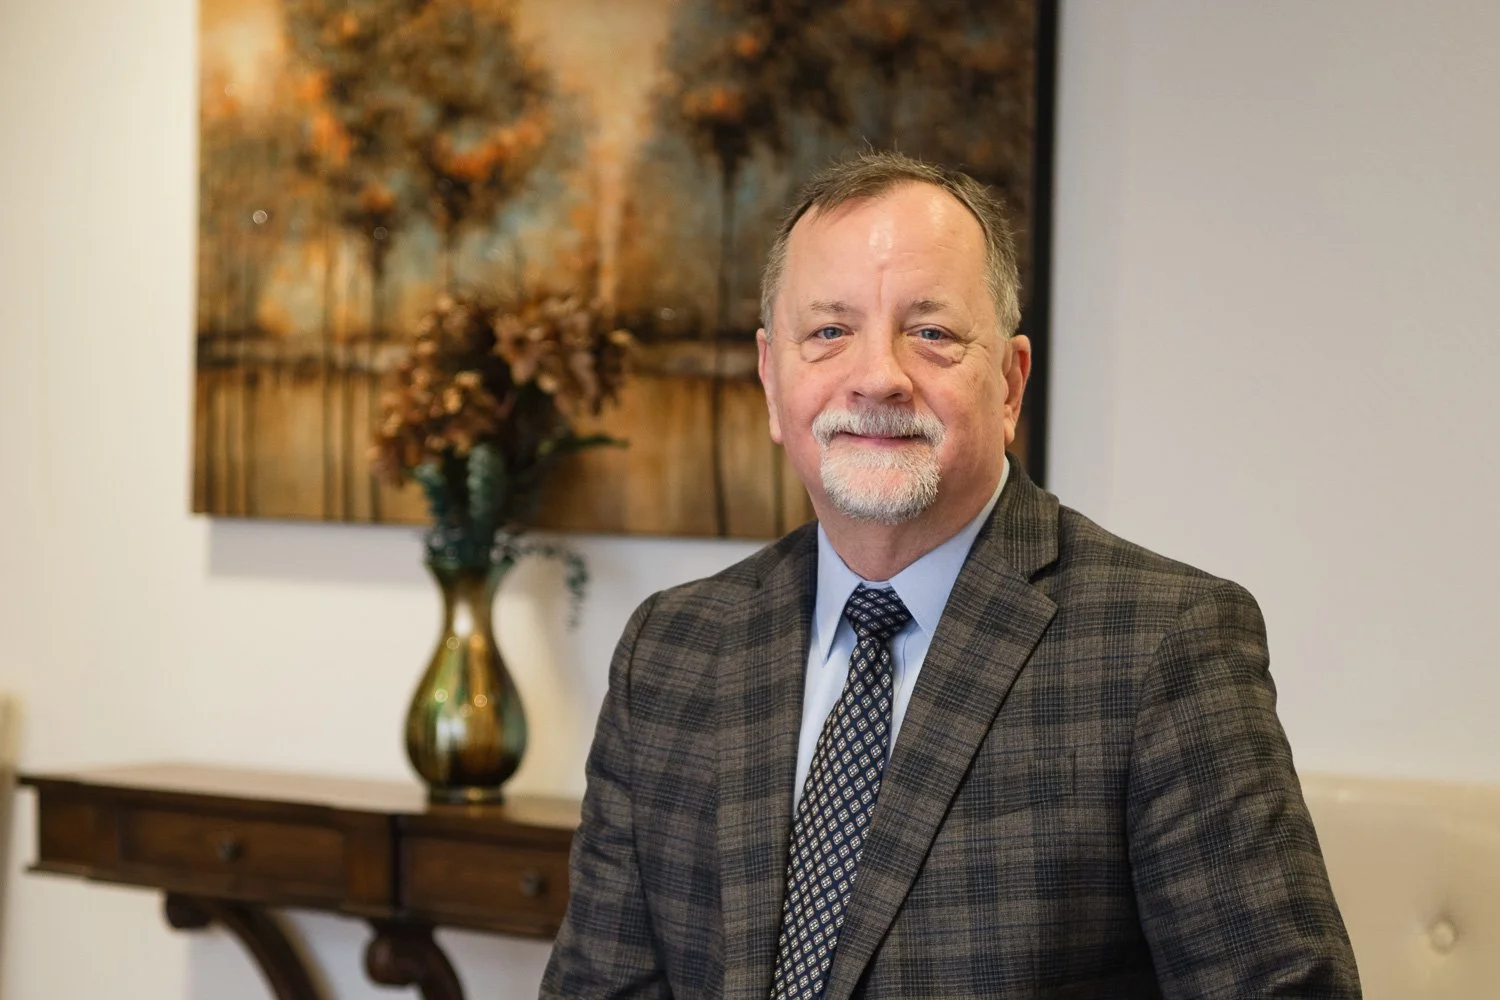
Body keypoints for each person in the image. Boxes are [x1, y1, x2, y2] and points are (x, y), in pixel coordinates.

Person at [541, 152, 1360, 999]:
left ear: (1008, 383)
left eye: (930, 332)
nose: (877, 376)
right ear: (771, 380)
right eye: (828, 331)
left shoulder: (1164, 647)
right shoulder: (671, 650)